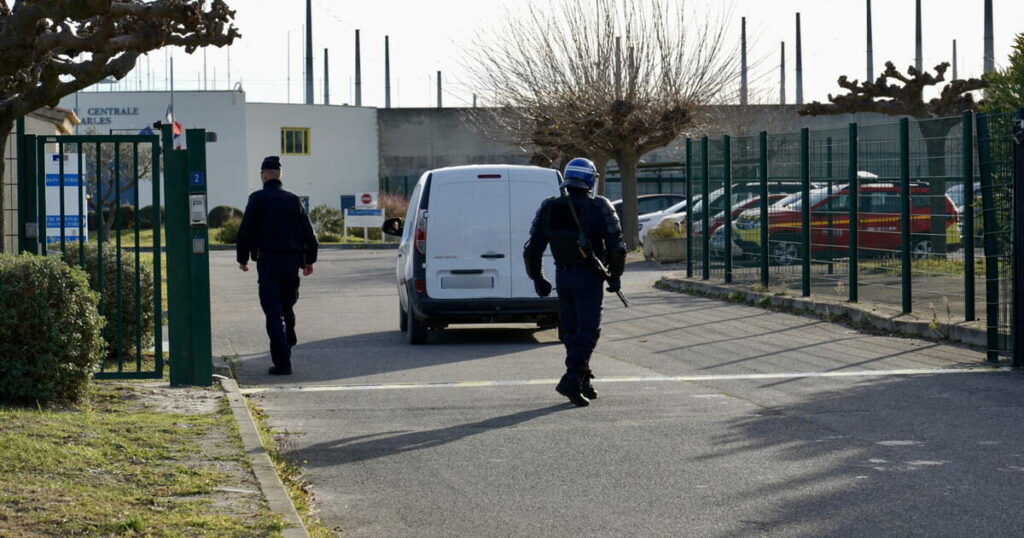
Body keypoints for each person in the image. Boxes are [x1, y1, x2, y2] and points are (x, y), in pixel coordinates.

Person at [523, 157, 626, 406]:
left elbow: (531, 250)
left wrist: (538, 278)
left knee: (571, 330)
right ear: (591, 179)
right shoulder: (600, 205)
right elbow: (618, 247)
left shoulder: (549, 207)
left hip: (563, 276)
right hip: (589, 276)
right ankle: (571, 379)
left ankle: (582, 380)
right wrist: (615, 276)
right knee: (588, 330)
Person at [236, 156, 319, 375]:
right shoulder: (293, 199)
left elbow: (246, 231)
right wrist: (309, 260)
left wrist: (242, 259)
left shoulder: (257, 199)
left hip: (268, 261)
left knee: (273, 312)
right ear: (280, 176)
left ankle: (283, 362)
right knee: (287, 306)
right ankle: (288, 339)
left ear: (264, 176)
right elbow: (308, 232)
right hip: (291, 263)